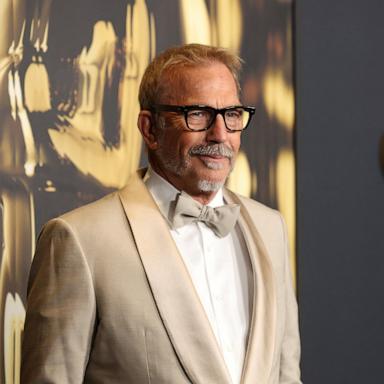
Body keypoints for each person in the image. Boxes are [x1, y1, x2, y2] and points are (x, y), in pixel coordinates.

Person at [21, 44, 301, 384]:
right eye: (197, 114)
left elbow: (287, 375)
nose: (220, 134)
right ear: (150, 129)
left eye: (232, 114)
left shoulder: (270, 227)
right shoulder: (78, 240)